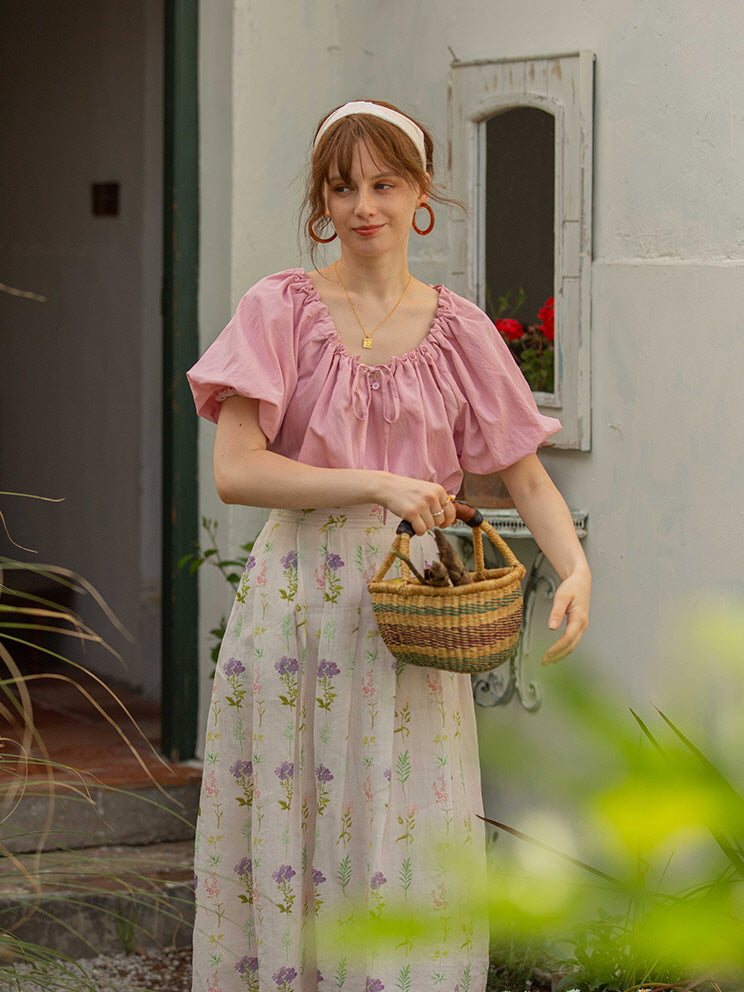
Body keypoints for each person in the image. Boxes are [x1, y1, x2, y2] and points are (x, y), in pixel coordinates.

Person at [187, 99, 591, 992]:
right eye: (343, 186)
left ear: (420, 196)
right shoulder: (279, 309)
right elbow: (238, 473)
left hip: (409, 616)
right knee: (295, 822)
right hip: (295, 608)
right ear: (321, 204)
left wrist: (577, 567)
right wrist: (378, 483)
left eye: (384, 183)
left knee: (401, 821)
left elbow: (525, 477)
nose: (363, 203)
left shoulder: (461, 329)